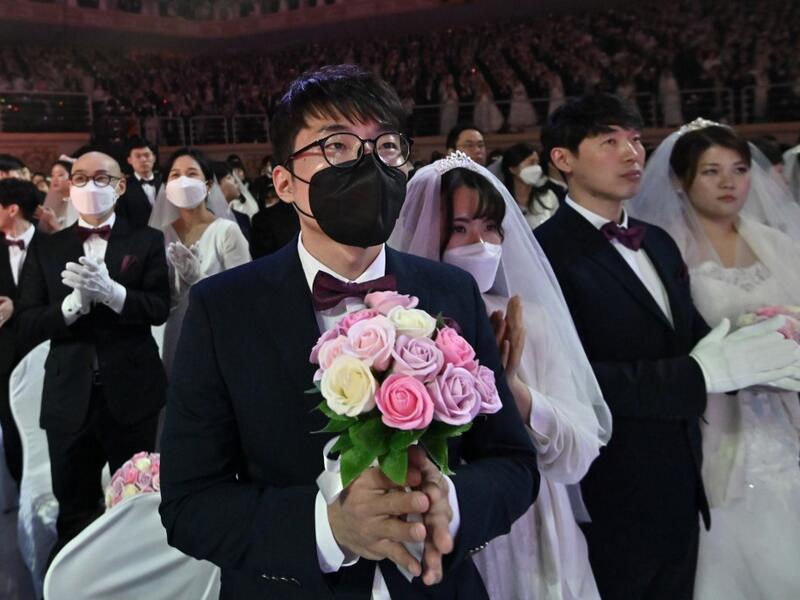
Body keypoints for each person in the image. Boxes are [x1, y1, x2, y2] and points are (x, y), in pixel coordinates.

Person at [159, 64, 539, 600]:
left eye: (385, 147)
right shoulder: (223, 309)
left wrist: (449, 506)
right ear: (285, 181)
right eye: (337, 146)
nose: (368, 164)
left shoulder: (450, 291)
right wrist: (329, 528)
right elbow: (189, 503)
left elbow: (513, 463)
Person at [534, 93, 800, 600]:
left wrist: (766, 338)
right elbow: (570, 382)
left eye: (635, 139)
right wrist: (700, 376)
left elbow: (693, 339)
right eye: (609, 141)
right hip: (612, 492)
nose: (632, 153)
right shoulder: (546, 253)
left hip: (683, 485)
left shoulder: (655, 240)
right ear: (563, 159)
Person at [391, 152, 611, 600]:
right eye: (459, 228)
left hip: (538, 524)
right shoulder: (397, 327)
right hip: (443, 521)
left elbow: (579, 454)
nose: (481, 242)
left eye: (490, 227)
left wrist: (516, 395)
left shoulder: (533, 322)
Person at [628, 120, 800, 600]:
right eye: (711, 171)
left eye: (739, 169)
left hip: (783, 415)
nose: (729, 183)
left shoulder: (780, 244)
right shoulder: (663, 250)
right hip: (709, 417)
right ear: (681, 180)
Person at [16, 150, 169, 560]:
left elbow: (158, 307)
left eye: (100, 178)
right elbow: (27, 322)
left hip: (133, 391)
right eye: (79, 178)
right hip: (69, 395)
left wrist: (114, 295)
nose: (88, 186)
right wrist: (72, 307)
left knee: (140, 502)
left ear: (120, 186)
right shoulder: (47, 249)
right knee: (75, 509)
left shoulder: (147, 240)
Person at [148, 148, 250, 376]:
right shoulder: (160, 235)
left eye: (191, 173)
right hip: (175, 329)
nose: (183, 181)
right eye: (175, 175)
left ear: (208, 184)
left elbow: (243, 293)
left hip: (217, 328)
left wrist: (199, 280)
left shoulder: (226, 231)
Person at [0, 178, 42, 488]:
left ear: (12, 210)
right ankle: (20, 487)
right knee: (10, 424)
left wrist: (16, 306)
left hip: (44, 349)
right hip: (3, 352)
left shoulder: (54, 244)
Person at [501, 143, 559, 229]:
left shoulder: (548, 196)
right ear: (513, 169)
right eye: (531, 163)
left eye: (537, 163)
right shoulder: (500, 200)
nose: (537, 168)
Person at [116, 137, 161, 229]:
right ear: (129, 160)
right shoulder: (123, 187)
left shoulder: (165, 183)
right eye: (138, 156)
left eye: (147, 155)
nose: (143, 160)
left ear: (154, 158)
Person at [211, 161, 252, 242]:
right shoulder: (206, 219)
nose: (236, 182)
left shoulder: (243, 218)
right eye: (229, 177)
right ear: (215, 184)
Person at [38, 159, 78, 233]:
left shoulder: (76, 204)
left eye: (60, 175)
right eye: (52, 175)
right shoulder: (60, 202)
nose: (55, 179)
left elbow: (73, 238)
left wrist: (53, 221)